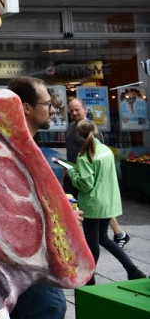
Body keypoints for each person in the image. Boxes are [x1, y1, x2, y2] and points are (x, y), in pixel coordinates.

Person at [7, 76, 67, 319]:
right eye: (47, 104)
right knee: (50, 309)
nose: (52, 110)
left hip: (29, 267)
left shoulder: (23, 149)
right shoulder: (18, 153)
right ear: (27, 108)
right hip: (30, 267)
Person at [67, 119, 146, 284]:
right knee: (103, 237)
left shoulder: (83, 155)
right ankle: (132, 269)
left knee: (92, 241)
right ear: (95, 132)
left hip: (93, 204)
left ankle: (89, 277)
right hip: (108, 201)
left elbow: (86, 184)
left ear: (79, 136)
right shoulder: (106, 150)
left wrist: (72, 173)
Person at [65, 98, 129, 247]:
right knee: (71, 205)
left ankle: (119, 233)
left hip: (86, 176)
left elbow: (98, 154)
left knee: (95, 207)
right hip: (73, 174)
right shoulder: (70, 127)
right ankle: (75, 238)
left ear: (84, 109)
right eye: (71, 110)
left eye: (77, 109)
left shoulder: (91, 129)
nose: (74, 113)